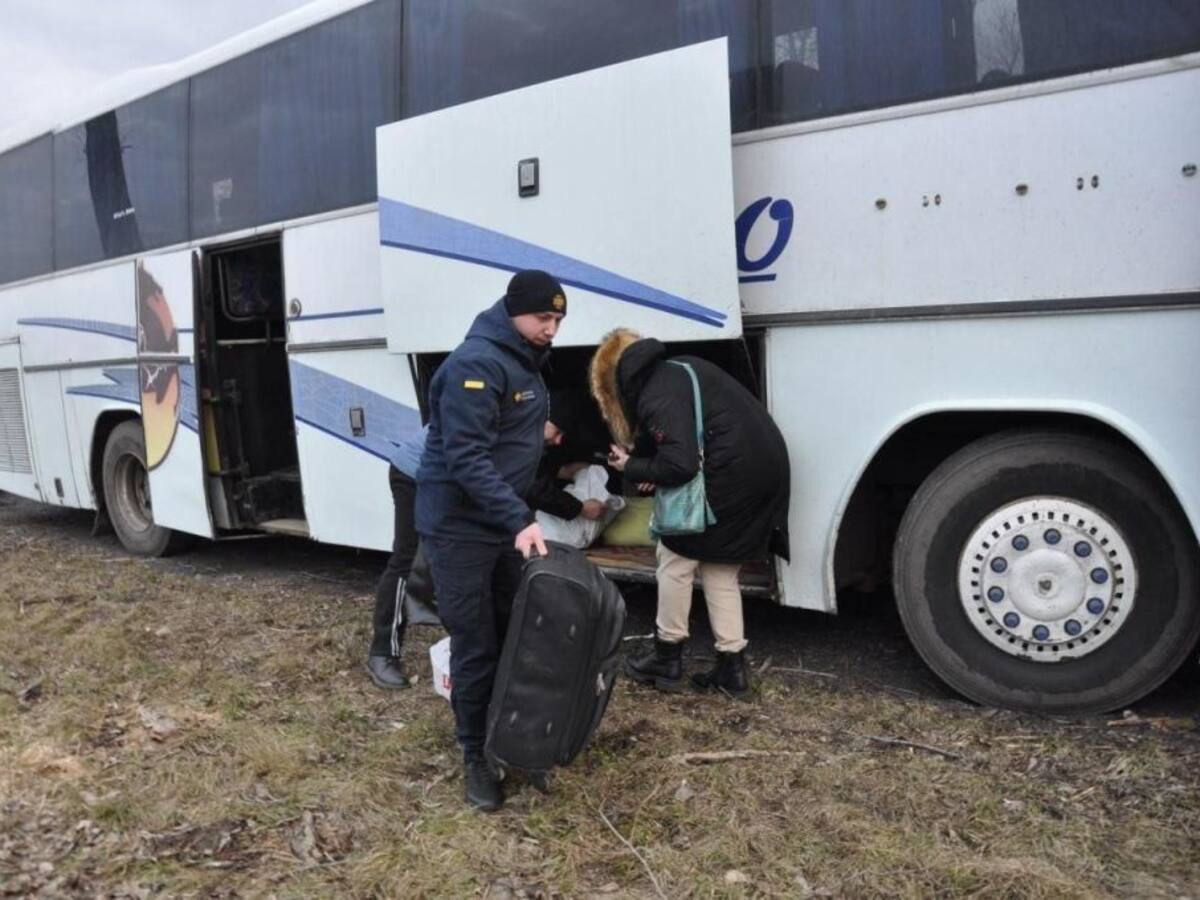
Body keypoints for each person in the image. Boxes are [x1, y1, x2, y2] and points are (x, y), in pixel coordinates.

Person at [415, 269, 566, 813]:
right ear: (513, 312)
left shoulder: (524, 362)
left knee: (514, 632)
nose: (552, 329)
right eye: (543, 318)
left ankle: (513, 742)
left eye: (558, 319)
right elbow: (466, 457)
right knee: (476, 644)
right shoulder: (476, 364)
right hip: (459, 528)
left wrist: (520, 512)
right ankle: (476, 756)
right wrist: (518, 518)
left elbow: (511, 450)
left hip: (501, 523)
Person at [589, 328, 790, 697]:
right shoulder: (678, 370)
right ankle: (732, 668)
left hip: (733, 477)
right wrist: (654, 467)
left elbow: (680, 466)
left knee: (675, 556)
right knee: (719, 567)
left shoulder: (654, 394)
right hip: (764, 470)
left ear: (615, 384)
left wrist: (632, 466)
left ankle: (667, 656)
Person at [366, 399, 595, 691]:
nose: (559, 440)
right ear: (541, 418)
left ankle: (495, 649)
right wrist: (578, 508)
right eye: (558, 430)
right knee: (406, 560)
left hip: (456, 483)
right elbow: (528, 486)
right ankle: (383, 652)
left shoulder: (524, 428)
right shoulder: (507, 426)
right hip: (416, 474)